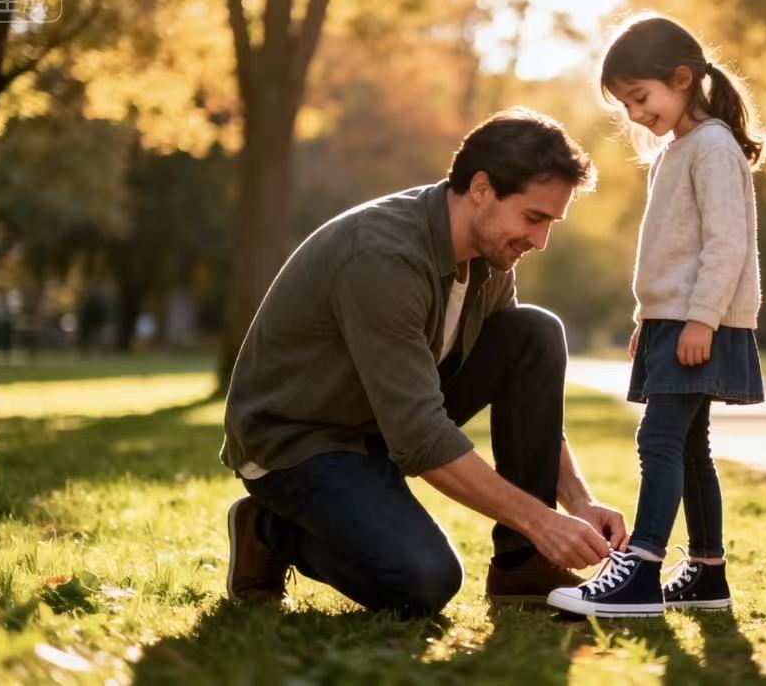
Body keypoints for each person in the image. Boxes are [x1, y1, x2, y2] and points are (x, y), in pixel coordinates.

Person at [220, 107, 628, 618]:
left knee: (534, 334)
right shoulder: (382, 257)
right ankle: (267, 529)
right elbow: (420, 438)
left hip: (376, 424)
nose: (540, 240)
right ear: (481, 188)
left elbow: (522, 382)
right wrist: (541, 520)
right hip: (298, 442)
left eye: (550, 222)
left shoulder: (491, 255)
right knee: (423, 581)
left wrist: (578, 503)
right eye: (534, 217)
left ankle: (523, 568)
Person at [548, 14, 766, 618]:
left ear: (682, 79)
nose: (635, 115)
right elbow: (672, 251)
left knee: (660, 438)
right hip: (672, 322)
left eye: (640, 97)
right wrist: (649, 319)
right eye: (625, 105)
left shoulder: (714, 147)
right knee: (691, 446)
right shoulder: (678, 151)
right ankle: (707, 574)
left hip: (702, 323)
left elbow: (726, 244)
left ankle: (640, 570)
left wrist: (700, 319)